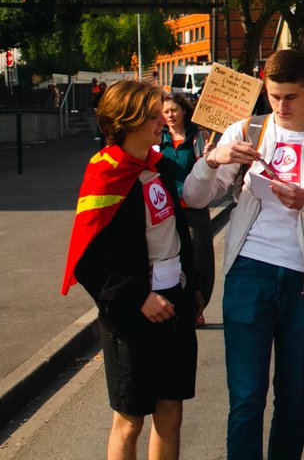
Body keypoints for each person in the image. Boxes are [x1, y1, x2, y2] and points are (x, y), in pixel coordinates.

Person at [184, 48, 304, 460]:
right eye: (274, 96)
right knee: (246, 398)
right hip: (249, 272)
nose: (282, 106)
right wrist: (213, 160)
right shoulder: (245, 130)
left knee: (291, 399)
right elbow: (193, 197)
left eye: (291, 97)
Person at [62, 80, 198, 460]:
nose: (162, 120)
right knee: (130, 419)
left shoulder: (160, 166)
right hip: (132, 311)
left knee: (171, 413)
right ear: (129, 119)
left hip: (174, 302)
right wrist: (139, 297)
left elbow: (178, 233)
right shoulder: (105, 172)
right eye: (154, 115)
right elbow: (88, 260)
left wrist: (193, 287)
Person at [159, 92, 216, 325]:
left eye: (173, 110)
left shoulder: (198, 136)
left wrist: (209, 156)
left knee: (199, 260)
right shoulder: (157, 138)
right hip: (167, 210)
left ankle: (199, 306)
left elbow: (207, 167)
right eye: (165, 112)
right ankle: (182, 307)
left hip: (194, 207)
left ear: (183, 110)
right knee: (176, 260)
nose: (170, 115)